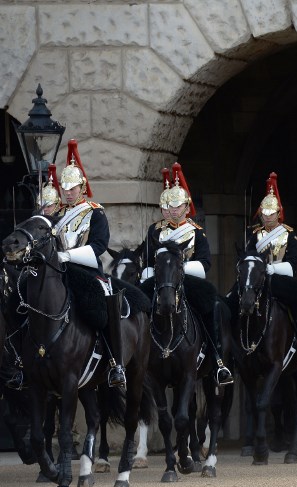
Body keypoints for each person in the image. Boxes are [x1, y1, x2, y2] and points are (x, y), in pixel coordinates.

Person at [139, 163, 233, 385]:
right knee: (137, 305)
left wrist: (179, 269)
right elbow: (146, 259)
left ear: (186, 206)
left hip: (188, 280)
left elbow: (205, 262)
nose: (173, 210)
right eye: (169, 206)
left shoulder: (196, 232)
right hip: (160, 281)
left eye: (177, 206)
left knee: (213, 306)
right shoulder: (155, 230)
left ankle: (218, 360)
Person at [51, 139, 126, 388]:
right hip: (58, 271)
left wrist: (69, 256)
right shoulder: (57, 215)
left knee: (105, 300)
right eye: (65, 188)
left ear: (82, 187)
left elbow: (99, 246)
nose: (67, 192)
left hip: (86, 271)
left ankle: (115, 363)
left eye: (72, 188)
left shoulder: (95, 212)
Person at [244, 172, 297, 368]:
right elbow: (248, 257)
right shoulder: (255, 235)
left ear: (278, 213)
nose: (267, 217)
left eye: (271, 213)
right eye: (264, 213)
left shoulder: (289, 234)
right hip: (258, 280)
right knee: (235, 299)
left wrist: (272, 268)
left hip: (280, 280)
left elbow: (293, 264)